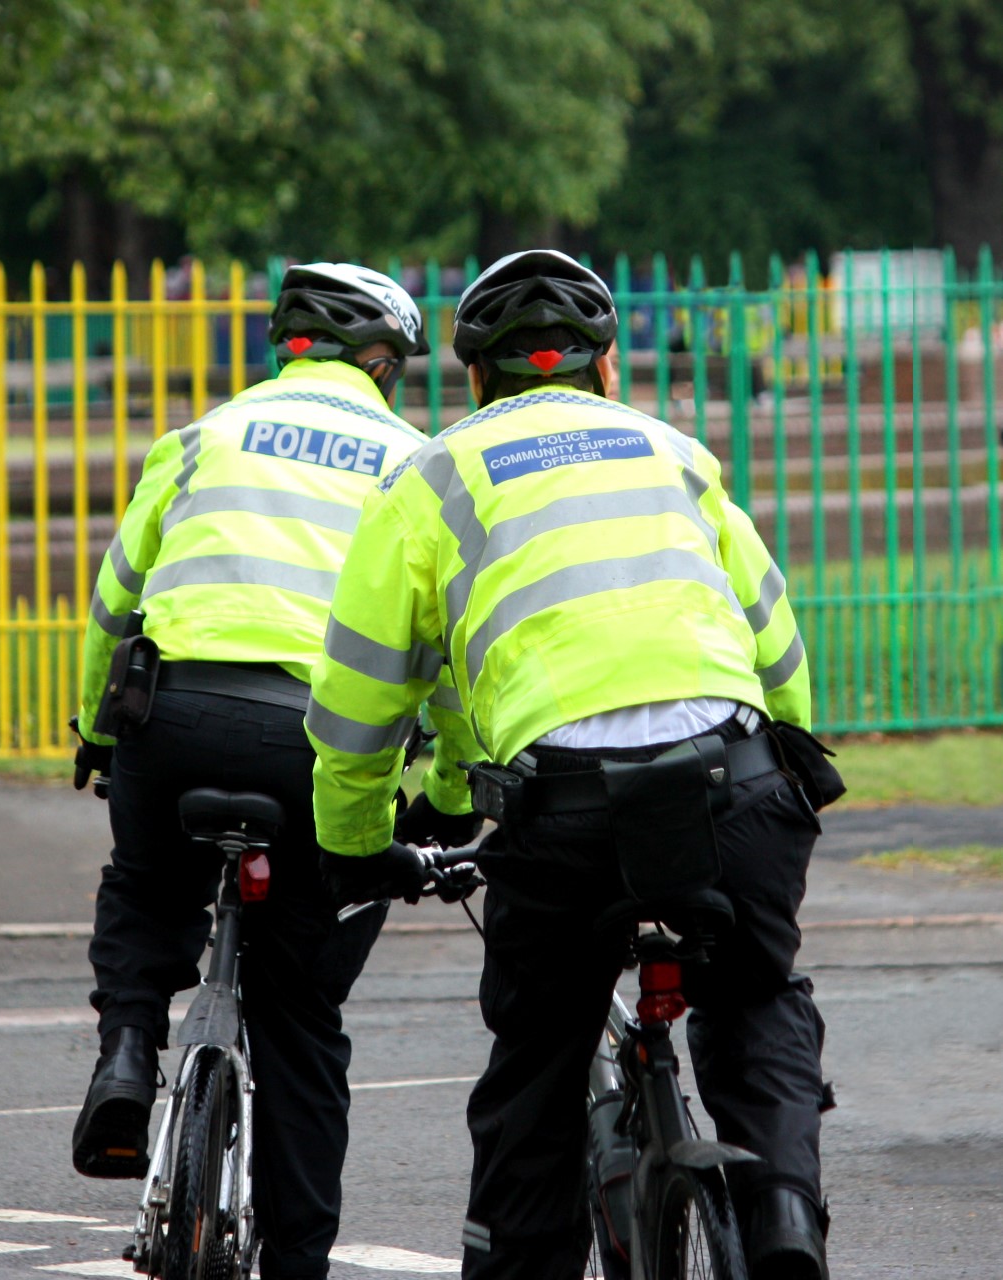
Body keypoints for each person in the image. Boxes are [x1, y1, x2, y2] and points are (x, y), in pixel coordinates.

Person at [305, 249, 836, 1280]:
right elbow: (774, 638)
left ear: (474, 380)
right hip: (735, 780)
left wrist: (356, 843)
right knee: (757, 995)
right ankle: (781, 1217)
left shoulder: (434, 474)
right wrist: (797, 762)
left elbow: (364, 699)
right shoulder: (673, 449)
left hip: (568, 812)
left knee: (537, 1074)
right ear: (603, 369)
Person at [70, 262, 436, 1280]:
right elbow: (439, 640)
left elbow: (116, 599)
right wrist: (443, 779)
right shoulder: (414, 461)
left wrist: (95, 728)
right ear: (379, 363)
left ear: (288, 349)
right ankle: (300, 1262)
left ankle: (129, 1054)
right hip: (316, 742)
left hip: (173, 712)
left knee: (146, 889)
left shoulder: (201, 437)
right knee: (302, 1017)